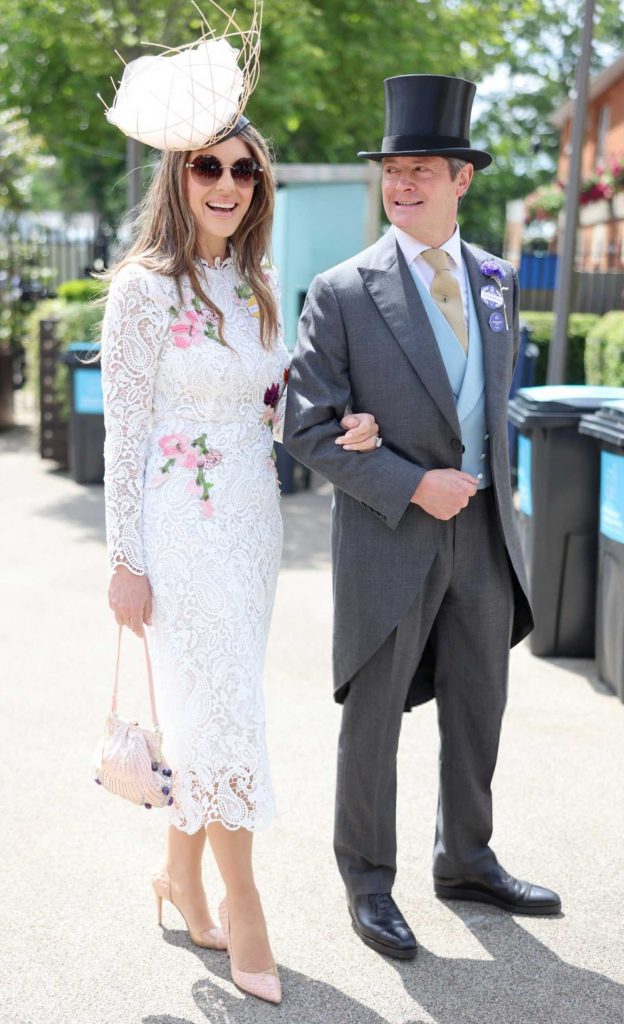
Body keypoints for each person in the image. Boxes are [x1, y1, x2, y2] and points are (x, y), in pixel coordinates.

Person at [100, 17, 379, 1005]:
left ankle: (178, 875)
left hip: (251, 525)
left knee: (211, 710)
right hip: (176, 533)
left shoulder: (257, 284)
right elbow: (124, 435)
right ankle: (242, 901)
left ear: (260, 186)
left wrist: (338, 424)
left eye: (245, 171)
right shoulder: (140, 292)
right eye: (207, 166)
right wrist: (124, 559)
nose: (227, 184)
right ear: (176, 177)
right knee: (222, 714)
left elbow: (275, 401)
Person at [284, 74, 561, 961]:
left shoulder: (496, 278)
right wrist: (410, 482)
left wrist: (476, 483)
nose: (402, 184)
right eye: (392, 170)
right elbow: (306, 427)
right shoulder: (342, 289)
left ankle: (467, 859)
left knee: (479, 703)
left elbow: (486, 399)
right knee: (374, 716)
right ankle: (368, 881)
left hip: (484, 534)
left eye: (422, 170)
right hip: (390, 532)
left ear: (462, 180)